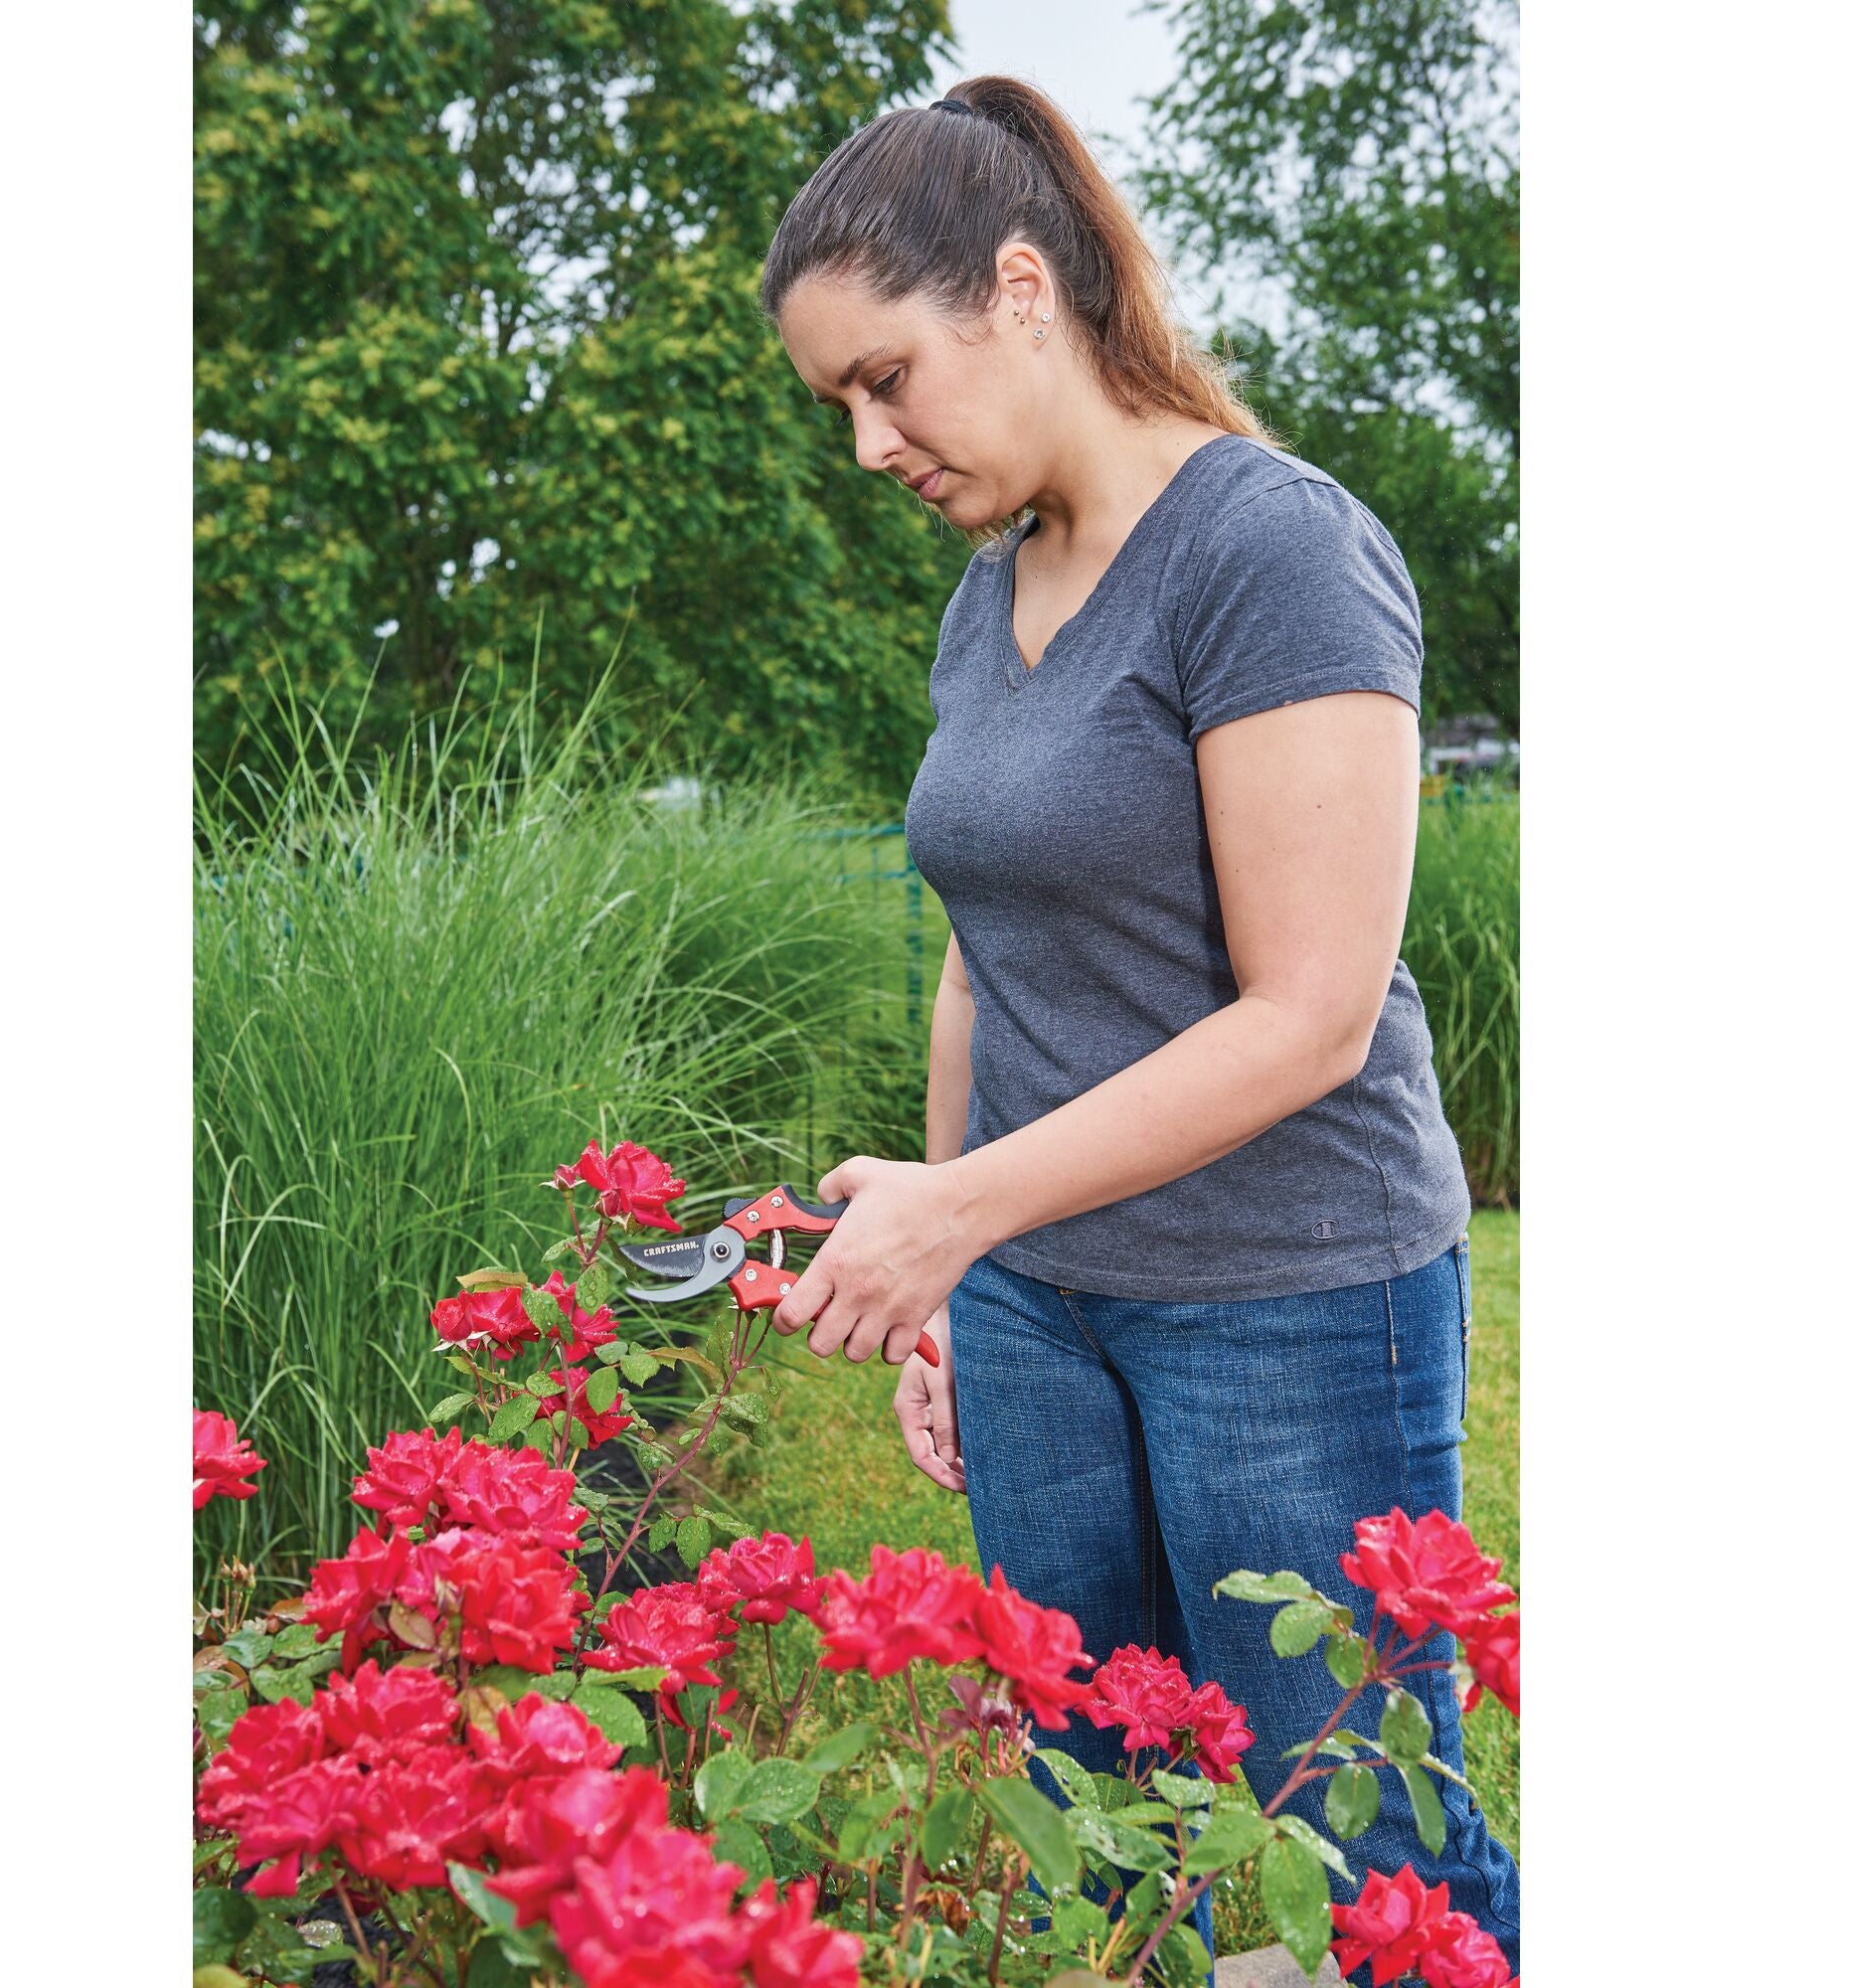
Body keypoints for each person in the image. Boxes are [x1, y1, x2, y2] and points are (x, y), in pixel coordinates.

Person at [757, 75, 1520, 1974]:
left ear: (1022, 290)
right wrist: (952, 1247)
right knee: (1097, 1813)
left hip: (1289, 1297)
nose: (867, 445)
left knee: (1355, 1837)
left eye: (885, 378)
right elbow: (979, 950)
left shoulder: (1272, 549)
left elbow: (1312, 1015)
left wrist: (959, 1211)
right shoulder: (984, 594)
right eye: (836, 404)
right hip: (1033, 1301)